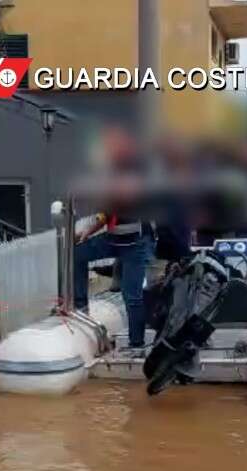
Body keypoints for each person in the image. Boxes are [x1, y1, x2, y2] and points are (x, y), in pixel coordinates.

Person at [72, 129, 155, 350]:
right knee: (77, 254)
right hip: (115, 239)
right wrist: (87, 232)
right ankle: (81, 309)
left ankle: (137, 345)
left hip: (136, 246)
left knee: (132, 295)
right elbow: (107, 212)